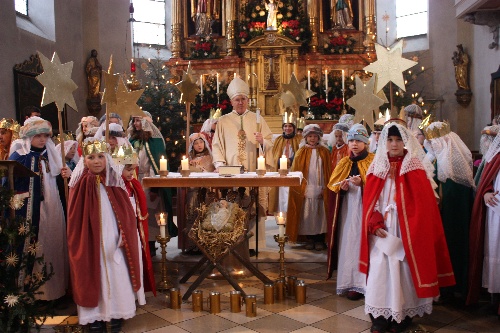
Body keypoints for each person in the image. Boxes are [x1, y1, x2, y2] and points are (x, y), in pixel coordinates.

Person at [361, 121, 455, 333]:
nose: (394, 144)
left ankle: (402, 315)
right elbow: (371, 199)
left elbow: (423, 203)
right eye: (390, 140)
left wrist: (411, 222)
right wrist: (374, 222)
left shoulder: (414, 166)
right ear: (384, 141)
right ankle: (379, 316)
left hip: (406, 230)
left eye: (398, 140)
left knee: (404, 270)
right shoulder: (377, 166)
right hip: (383, 228)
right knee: (380, 268)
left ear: (405, 141)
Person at [67, 138, 145, 332]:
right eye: (91, 157)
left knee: (117, 272)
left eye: (101, 156)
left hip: (114, 239)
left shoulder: (113, 181)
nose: (96, 161)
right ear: (84, 160)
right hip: (90, 241)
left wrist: (124, 234)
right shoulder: (80, 184)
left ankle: (117, 313)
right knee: (93, 273)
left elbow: (126, 212)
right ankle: (95, 317)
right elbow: (75, 218)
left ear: (106, 158)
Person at [9, 117, 71, 301]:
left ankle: (57, 291)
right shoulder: (20, 156)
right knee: (36, 247)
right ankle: (34, 294)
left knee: (53, 243)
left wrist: (65, 174)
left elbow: (60, 179)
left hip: (52, 207)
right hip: (31, 208)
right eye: (38, 136)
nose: (42, 140)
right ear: (29, 137)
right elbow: (10, 182)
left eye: (45, 136)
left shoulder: (50, 154)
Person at [212, 77, 274, 251]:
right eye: (237, 99)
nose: (240, 102)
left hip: (253, 169)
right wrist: (219, 164)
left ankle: (255, 243)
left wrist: (262, 142)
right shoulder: (223, 121)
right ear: (231, 101)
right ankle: (233, 241)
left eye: (243, 99)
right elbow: (217, 145)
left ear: (248, 100)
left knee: (253, 204)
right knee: (233, 204)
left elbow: (270, 143)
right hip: (231, 171)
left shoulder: (257, 119)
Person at [424, 121, 474, 301]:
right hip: (438, 215)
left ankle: (450, 288)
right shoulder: (435, 157)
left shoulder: (452, 161)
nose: (432, 145)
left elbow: (450, 192)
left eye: (434, 141)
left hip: (451, 217)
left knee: (453, 247)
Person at [327, 123, 374, 300]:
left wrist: (363, 183)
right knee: (349, 243)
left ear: (365, 142)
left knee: (364, 242)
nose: (354, 144)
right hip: (348, 210)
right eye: (352, 140)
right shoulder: (344, 162)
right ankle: (350, 281)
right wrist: (343, 188)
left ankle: (364, 283)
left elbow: (379, 185)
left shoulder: (373, 160)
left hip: (365, 208)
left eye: (358, 141)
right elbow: (333, 186)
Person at [129, 111, 176, 256]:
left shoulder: (154, 141)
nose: (136, 124)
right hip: (135, 179)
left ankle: (151, 243)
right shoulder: (131, 141)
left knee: (150, 214)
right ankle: (141, 242)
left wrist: (155, 186)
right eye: (134, 121)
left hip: (149, 182)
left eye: (139, 121)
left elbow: (157, 164)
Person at [467, 132, 500, 316]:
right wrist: (486, 192)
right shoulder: (496, 157)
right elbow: (486, 183)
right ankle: (494, 299)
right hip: (495, 215)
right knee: (494, 255)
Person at [287, 124, 331, 250]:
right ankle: (310, 239)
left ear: (319, 138)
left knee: (320, 215)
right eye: (310, 136)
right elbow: (296, 171)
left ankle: (320, 239)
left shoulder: (325, 152)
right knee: (307, 216)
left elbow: (328, 171)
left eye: (315, 136)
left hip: (321, 187)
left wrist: (325, 188)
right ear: (305, 138)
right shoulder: (301, 152)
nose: (312, 139)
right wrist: (301, 188)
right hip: (306, 188)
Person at [178, 133, 215, 253]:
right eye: (196, 143)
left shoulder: (210, 158)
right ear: (192, 146)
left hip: (206, 193)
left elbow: (210, 171)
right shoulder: (189, 160)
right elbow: (182, 171)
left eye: (201, 142)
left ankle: (206, 243)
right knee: (191, 216)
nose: (199, 145)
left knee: (205, 217)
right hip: (192, 193)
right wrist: (188, 166)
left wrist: (198, 168)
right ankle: (192, 245)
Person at [269, 114, 302, 214]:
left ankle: (292, 214)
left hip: (293, 169)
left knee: (290, 192)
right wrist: (279, 162)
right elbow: (274, 155)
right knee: (281, 193)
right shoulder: (278, 140)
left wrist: (291, 160)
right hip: (280, 170)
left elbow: (300, 154)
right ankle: (281, 214)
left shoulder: (299, 139)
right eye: (285, 126)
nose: (287, 128)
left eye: (290, 126)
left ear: (294, 128)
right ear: (283, 127)